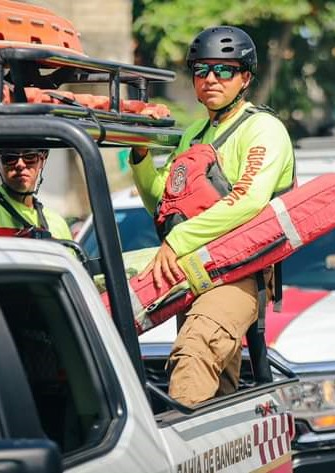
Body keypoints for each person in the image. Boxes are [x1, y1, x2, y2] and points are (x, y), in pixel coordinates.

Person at [129, 26, 295, 406]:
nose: (210, 79)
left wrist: (177, 242)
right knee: (218, 386)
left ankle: (173, 461)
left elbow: (248, 199)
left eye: (224, 70)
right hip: (192, 270)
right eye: (202, 70)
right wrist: (139, 158)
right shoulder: (194, 134)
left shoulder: (263, 129)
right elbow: (166, 201)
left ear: (245, 77)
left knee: (194, 352)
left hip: (238, 274)